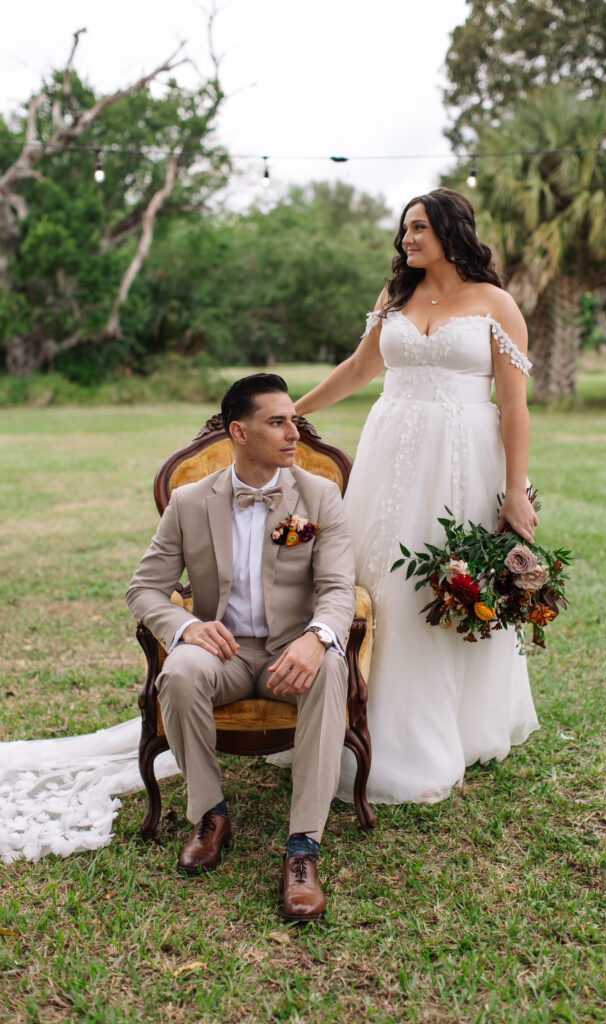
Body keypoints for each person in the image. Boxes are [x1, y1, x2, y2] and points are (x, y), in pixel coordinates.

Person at [293, 188, 540, 805]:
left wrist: (515, 491)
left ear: (453, 231)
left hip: (462, 460)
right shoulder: (394, 297)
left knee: (443, 581)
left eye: (420, 227)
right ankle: (358, 717)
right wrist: (291, 413)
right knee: (377, 578)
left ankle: (447, 730)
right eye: (405, 228)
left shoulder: (496, 304)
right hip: (391, 451)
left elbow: (513, 404)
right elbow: (357, 369)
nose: (408, 238)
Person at [127, 373, 356, 921]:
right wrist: (185, 630)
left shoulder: (319, 495)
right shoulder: (187, 502)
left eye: (293, 421)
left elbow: (338, 589)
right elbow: (144, 588)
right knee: (179, 672)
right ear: (239, 431)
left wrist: (316, 638)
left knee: (329, 668)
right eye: (276, 422)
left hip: (291, 653)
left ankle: (303, 847)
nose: (292, 433)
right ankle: (210, 814)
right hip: (223, 654)